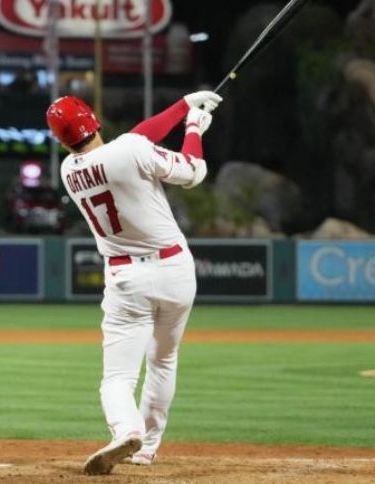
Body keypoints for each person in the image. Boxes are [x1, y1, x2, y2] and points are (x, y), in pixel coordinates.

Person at [46, 91, 221, 475]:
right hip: (175, 270)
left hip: (126, 279)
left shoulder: (68, 170)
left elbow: (135, 142)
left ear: (62, 138)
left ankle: (127, 431)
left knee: (118, 377)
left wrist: (182, 106)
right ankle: (148, 446)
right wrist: (193, 126)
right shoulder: (129, 149)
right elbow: (194, 171)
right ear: (93, 119)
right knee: (164, 359)